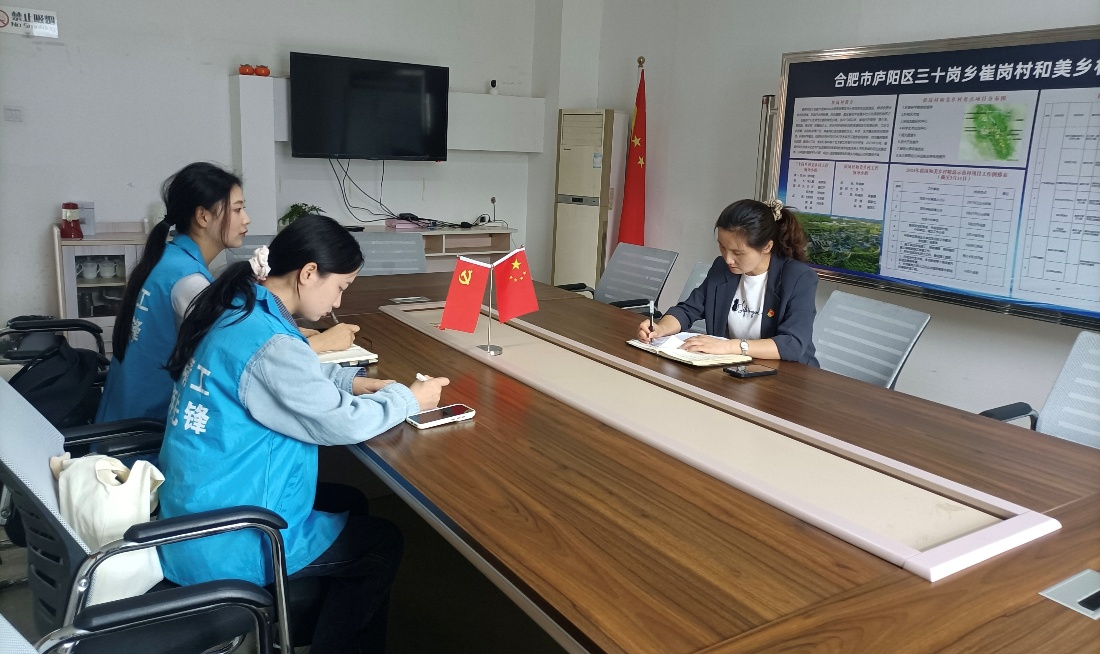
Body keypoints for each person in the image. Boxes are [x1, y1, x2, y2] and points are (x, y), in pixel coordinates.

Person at [158, 214, 448, 653]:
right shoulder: (273, 343)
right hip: (231, 538)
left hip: (195, 509)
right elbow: (340, 422)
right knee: (383, 542)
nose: (337, 302)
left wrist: (348, 381)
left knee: (351, 500)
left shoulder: (239, 305)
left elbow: (271, 379)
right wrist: (409, 399)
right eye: (341, 287)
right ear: (309, 273)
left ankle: (311, 625)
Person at [96, 162, 358, 423]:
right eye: (237, 209)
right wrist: (323, 343)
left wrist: (293, 335)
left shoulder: (170, 258)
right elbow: (238, 358)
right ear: (203, 217)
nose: (246, 219)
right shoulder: (189, 283)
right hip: (150, 423)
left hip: (123, 409)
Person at [638, 199, 819, 365]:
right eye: (722, 247)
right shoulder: (722, 268)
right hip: (734, 369)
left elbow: (793, 343)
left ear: (767, 246)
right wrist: (661, 328)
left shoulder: (798, 278)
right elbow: (688, 310)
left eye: (738, 252)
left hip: (787, 376)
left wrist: (728, 346)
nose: (728, 259)